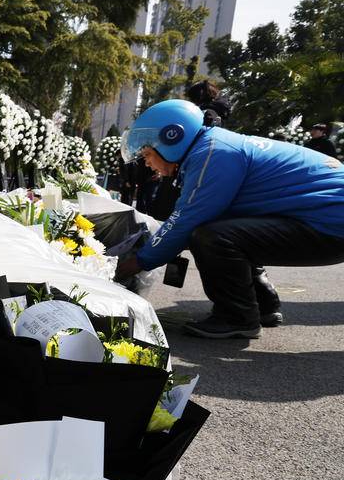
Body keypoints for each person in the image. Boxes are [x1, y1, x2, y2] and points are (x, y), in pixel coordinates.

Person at [115, 99, 344, 339]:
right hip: (325, 219)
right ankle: (262, 305)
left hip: (329, 224)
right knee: (229, 230)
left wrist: (136, 263)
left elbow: (187, 219)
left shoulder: (213, 154)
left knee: (211, 236)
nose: (147, 163)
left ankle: (237, 317)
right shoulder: (213, 146)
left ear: (173, 138)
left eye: (147, 154)